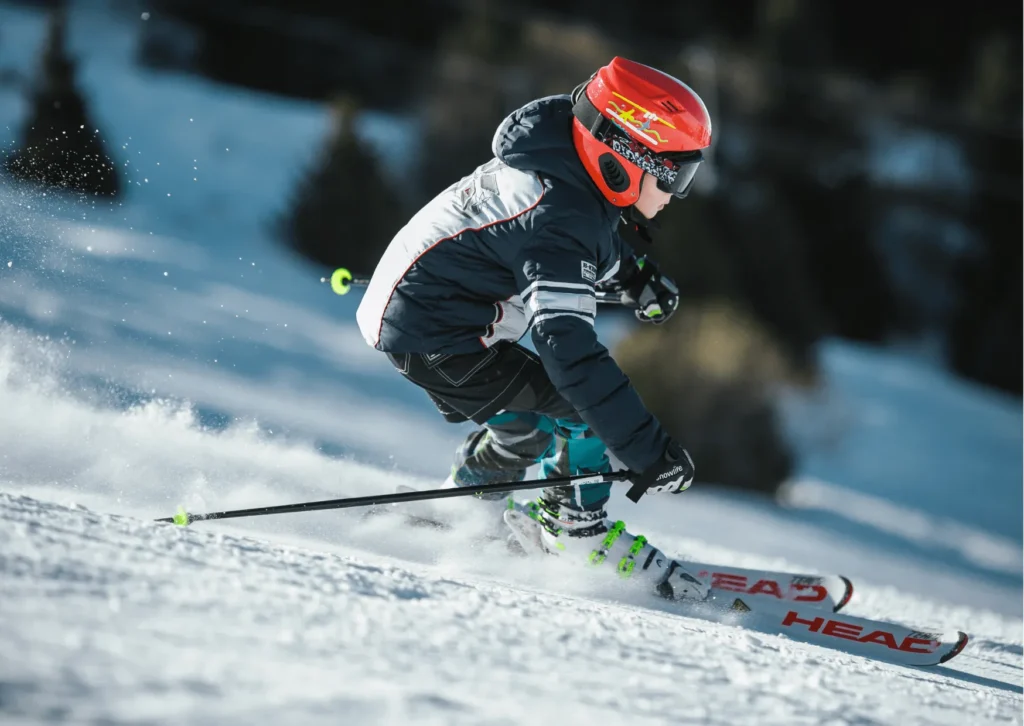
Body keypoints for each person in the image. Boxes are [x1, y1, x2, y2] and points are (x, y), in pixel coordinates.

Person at [356, 56, 712, 601]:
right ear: (626, 157)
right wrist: (648, 451)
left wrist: (636, 277)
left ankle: (467, 503)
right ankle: (572, 528)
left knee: (529, 424)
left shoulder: (562, 168)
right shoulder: (558, 218)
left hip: (426, 318)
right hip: (439, 337)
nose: (675, 194)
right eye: (674, 174)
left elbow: (585, 241)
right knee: (583, 415)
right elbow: (567, 350)